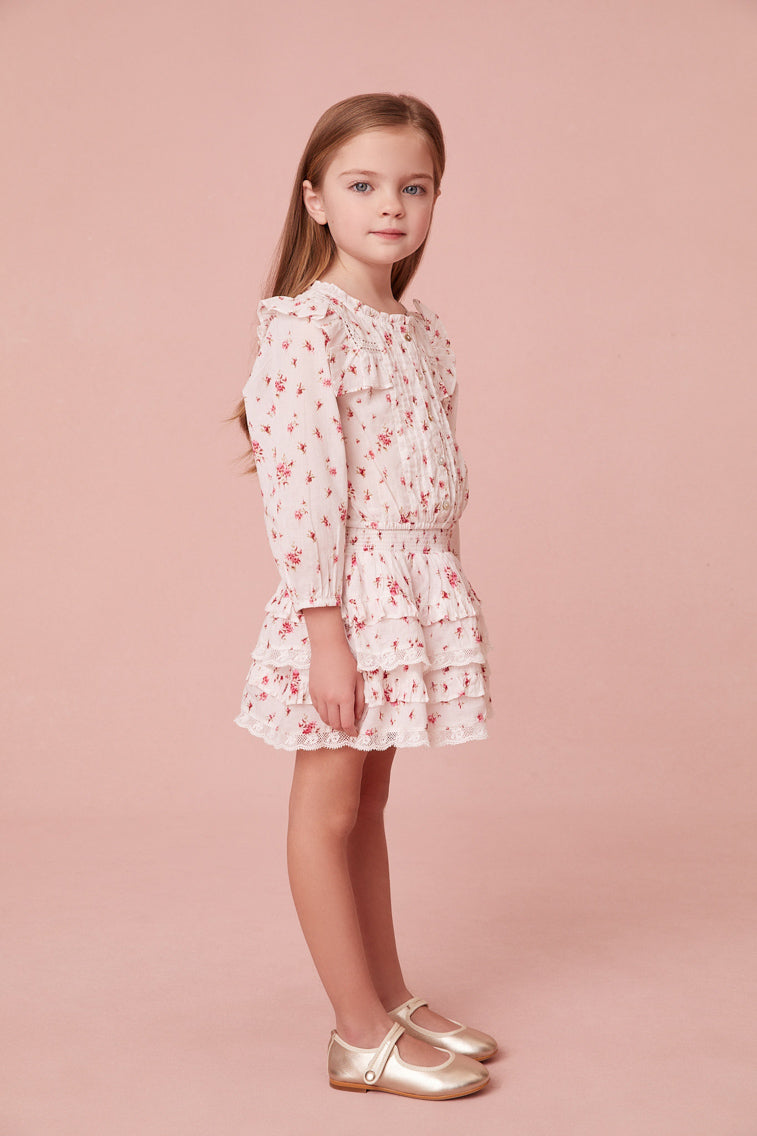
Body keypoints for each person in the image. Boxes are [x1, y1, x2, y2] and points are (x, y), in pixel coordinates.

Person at [229, 92, 496, 1100]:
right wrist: (325, 633)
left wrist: (443, 591)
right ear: (315, 200)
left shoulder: (416, 330)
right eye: (362, 184)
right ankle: (356, 1033)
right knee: (328, 804)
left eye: (412, 186)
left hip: (408, 585)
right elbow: (304, 488)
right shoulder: (308, 327)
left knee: (369, 800)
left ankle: (388, 995)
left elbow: (438, 470)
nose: (390, 204)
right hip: (345, 597)